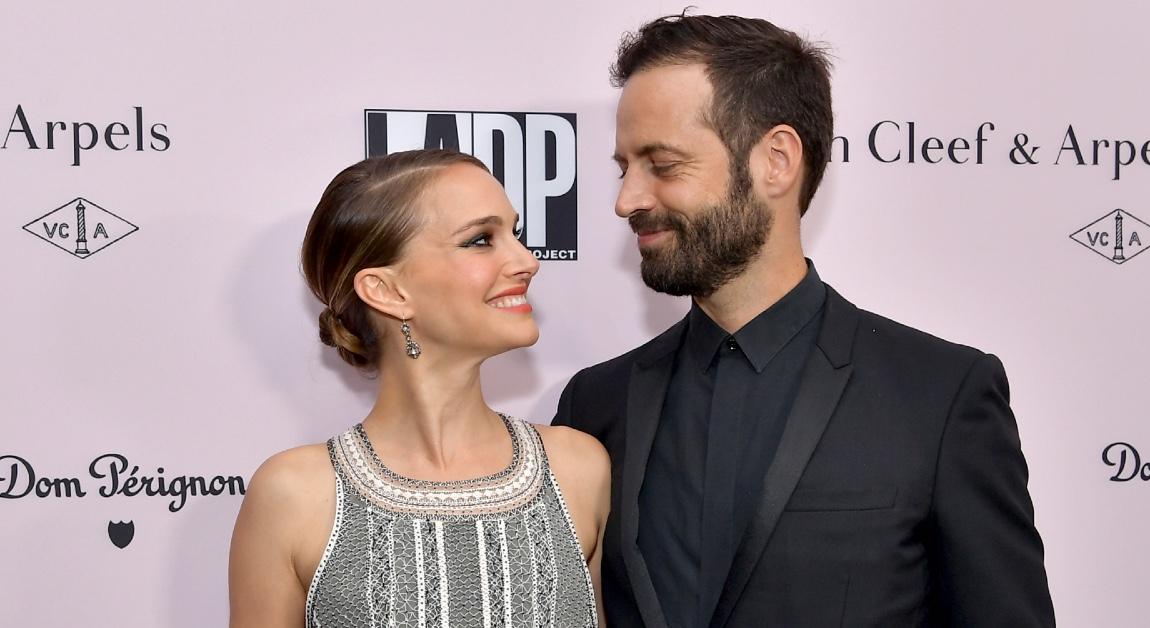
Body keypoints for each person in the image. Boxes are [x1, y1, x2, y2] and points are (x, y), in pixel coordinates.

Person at [552, 14, 1055, 627]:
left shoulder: (940, 397)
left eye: (662, 164)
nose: (627, 199)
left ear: (777, 160)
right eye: (623, 167)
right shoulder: (594, 406)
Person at [229, 149, 609, 628]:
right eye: (480, 240)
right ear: (387, 291)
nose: (527, 260)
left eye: (517, 234)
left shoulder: (578, 469)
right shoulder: (294, 495)